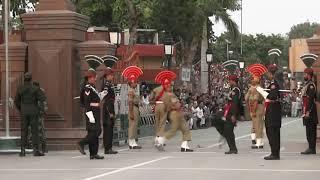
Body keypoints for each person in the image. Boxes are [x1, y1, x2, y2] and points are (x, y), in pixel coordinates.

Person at [155, 71, 193, 152]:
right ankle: (160, 141)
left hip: (174, 113)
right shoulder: (170, 95)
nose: (171, 86)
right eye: (169, 85)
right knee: (173, 130)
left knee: (185, 129)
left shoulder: (165, 95)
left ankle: (184, 146)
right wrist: (182, 105)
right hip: (175, 113)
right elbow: (176, 105)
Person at [14, 72, 45, 157]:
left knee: (24, 131)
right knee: (34, 131)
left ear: (24, 79)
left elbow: (16, 101)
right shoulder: (35, 88)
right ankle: (36, 151)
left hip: (24, 110)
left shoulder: (20, 88)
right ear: (31, 79)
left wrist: (21, 108)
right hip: (33, 110)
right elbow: (42, 98)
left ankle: (22, 151)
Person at [256, 64, 282, 160]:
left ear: (270, 73)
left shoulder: (274, 83)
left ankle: (274, 153)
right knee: (273, 133)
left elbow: (273, 96)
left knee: (272, 133)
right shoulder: (273, 83)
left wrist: (262, 92)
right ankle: (274, 153)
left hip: (273, 112)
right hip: (273, 111)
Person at [82, 69, 104, 160]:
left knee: (94, 132)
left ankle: (93, 153)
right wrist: (90, 115)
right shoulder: (87, 88)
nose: (95, 79)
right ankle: (81, 143)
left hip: (96, 112)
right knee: (96, 131)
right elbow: (87, 103)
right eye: (94, 78)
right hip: (91, 113)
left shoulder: (92, 87)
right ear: (90, 78)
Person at [122, 66, 144, 149]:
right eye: (135, 82)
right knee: (132, 125)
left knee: (134, 125)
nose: (136, 83)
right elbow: (130, 102)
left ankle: (133, 141)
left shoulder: (133, 90)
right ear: (131, 83)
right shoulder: (131, 91)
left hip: (136, 108)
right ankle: (131, 142)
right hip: (133, 108)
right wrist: (131, 112)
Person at [245, 64, 267, 149]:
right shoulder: (252, 89)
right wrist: (250, 91)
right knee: (255, 125)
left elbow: (263, 97)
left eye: (254, 78)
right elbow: (246, 98)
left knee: (258, 125)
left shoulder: (259, 88)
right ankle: (256, 140)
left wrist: (252, 91)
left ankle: (259, 143)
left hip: (258, 107)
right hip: (253, 108)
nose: (253, 79)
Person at [101, 59, 118, 155]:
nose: (112, 76)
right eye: (111, 75)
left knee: (110, 129)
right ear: (108, 76)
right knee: (108, 129)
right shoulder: (107, 85)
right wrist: (110, 112)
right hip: (108, 109)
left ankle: (109, 147)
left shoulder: (109, 84)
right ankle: (107, 148)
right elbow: (107, 99)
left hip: (110, 107)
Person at [300, 67, 318, 154]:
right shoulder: (307, 84)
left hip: (310, 110)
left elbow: (310, 99)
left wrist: (308, 111)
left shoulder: (311, 85)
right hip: (306, 109)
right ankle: (310, 147)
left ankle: (312, 148)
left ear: (309, 75)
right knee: (308, 129)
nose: (304, 75)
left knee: (311, 130)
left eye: (305, 74)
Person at [33, 82, 48, 153]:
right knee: (42, 131)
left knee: (38, 131)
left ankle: (38, 148)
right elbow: (44, 103)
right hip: (39, 114)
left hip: (36, 114)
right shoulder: (41, 91)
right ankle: (44, 148)